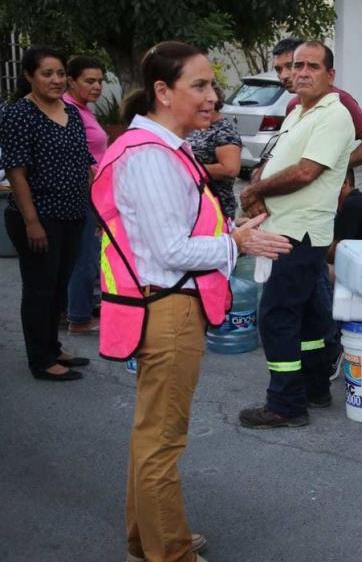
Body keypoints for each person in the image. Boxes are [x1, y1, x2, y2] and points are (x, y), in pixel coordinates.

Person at [94, 41, 292, 562]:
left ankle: (148, 539)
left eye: (212, 85)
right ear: (163, 92)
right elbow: (170, 249)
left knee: (151, 434)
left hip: (163, 304)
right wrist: (237, 243)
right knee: (162, 440)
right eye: (199, 86)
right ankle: (170, 552)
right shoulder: (151, 157)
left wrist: (228, 229)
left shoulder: (162, 148)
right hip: (169, 310)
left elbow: (173, 231)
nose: (212, 96)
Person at [238, 40, 356, 429]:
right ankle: (314, 388)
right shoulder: (299, 113)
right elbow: (273, 162)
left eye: (312, 66)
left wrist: (257, 190)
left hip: (297, 232)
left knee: (276, 316)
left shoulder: (333, 115)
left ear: (330, 75)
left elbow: (306, 172)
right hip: (286, 228)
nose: (302, 72)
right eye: (296, 65)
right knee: (305, 316)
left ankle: (286, 404)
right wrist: (257, 185)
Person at [2, 46, 94, 380]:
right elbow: (16, 172)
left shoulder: (71, 113)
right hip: (39, 217)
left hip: (72, 214)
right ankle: (40, 360)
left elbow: (85, 162)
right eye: (46, 74)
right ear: (29, 76)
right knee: (40, 288)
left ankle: (52, 347)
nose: (55, 80)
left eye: (59, 74)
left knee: (59, 285)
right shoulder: (19, 114)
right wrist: (32, 222)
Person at [273, 37, 362, 176]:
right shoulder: (293, 106)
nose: (283, 75)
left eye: (290, 66)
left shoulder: (338, 99)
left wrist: (332, 167)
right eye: (278, 69)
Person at [63, 55, 108, 334]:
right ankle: (79, 317)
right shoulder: (69, 111)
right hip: (87, 193)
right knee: (86, 256)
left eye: (100, 81)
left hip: (96, 192)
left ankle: (80, 308)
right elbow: (81, 159)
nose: (97, 86)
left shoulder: (83, 109)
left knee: (88, 254)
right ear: (72, 81)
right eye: (89, 81)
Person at [186, 84, 242, 219]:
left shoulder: (224, 130)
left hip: (217, 206)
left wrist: (189, 169)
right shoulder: (199, 126)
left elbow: (230, 169)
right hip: (195, 203)